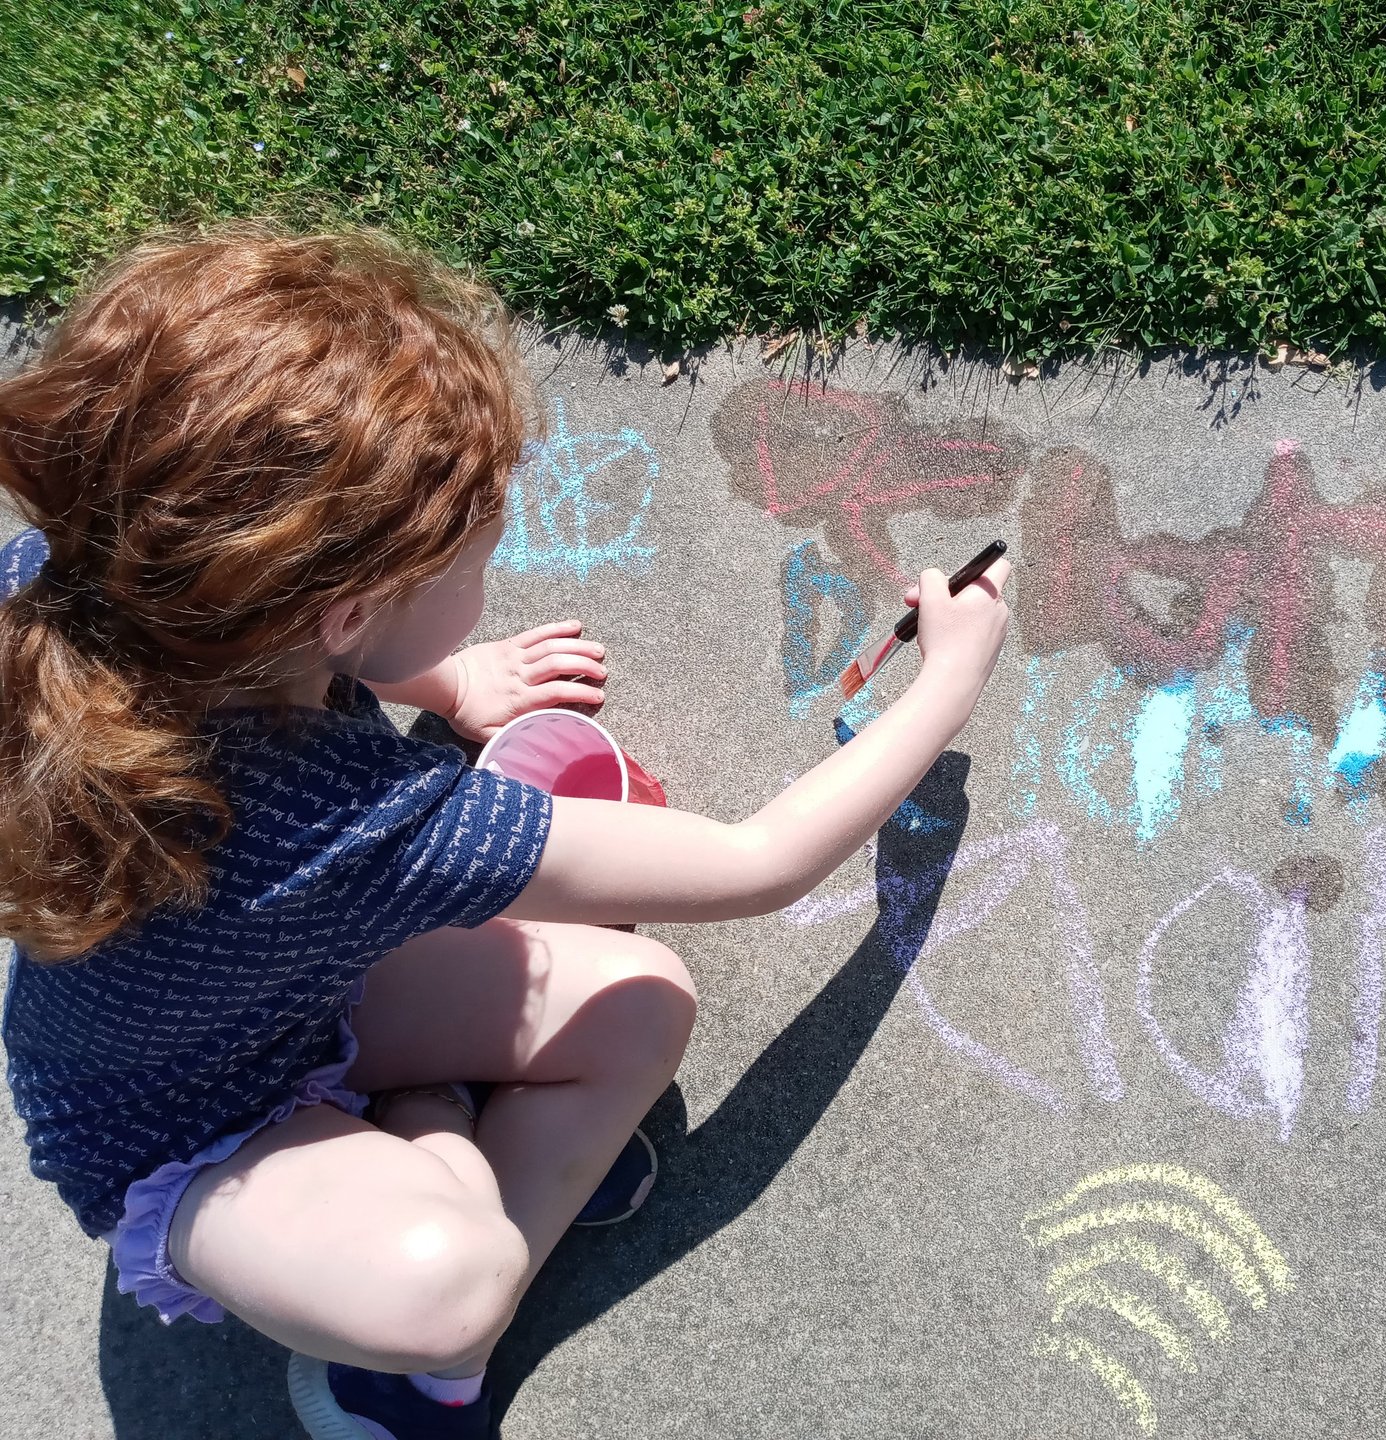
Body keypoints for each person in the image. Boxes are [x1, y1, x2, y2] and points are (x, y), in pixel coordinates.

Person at [0, 226, 1011, 1439]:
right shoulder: (353, 821)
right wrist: (948, 683)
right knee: (455, 1274)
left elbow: (320, 665)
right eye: (472, 558)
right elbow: (760, 864)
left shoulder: (83, 579)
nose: (492, 558)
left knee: (641, 998)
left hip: (272, 993)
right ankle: (419, 1326)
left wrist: (451, 681)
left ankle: (428, 1156)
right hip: (180, 1132)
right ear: (349, 611)